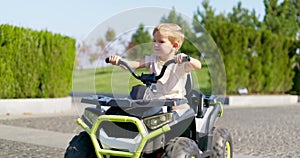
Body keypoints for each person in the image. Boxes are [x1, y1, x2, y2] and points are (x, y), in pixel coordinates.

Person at [108, 23, 201, 109]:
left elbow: (198, 66)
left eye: (161, 42)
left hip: (176, 102)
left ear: (175, 45)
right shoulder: (152, 59)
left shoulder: (181, 61)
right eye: (154, 41)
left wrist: (187, 58)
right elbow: (133, 65)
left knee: (180, 118)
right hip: (157, 102)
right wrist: (120, 61)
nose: (155, 44)